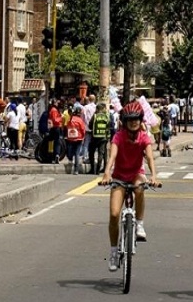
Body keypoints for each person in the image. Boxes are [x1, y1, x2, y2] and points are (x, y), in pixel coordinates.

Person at [100, 102, 158, 272]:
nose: (133, 122)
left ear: (141, 120)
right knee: (114, 214)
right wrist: (106, 173)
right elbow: (113, 156)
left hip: (136, 175)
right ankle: (113, 251)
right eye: (130, 120)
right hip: (119, 177)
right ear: (124, 121)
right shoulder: (118, 136)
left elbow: (149, 157)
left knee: (140, 187)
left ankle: (139, 224)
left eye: (136, 119)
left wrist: (153, 176)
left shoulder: (144, 137)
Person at [88, 103, 110, 175]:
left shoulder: (95, 116)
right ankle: (97, 170)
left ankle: (92, 169)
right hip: (103, 137)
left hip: (94, 137)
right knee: (101, 153)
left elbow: (90, 125)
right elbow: (109, 126)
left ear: (97, 109)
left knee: (91, 152)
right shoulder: (106, 117)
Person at [65, 105, 86, 175]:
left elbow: (67, 127)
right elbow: (83, 130)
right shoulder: (80, 120)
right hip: (79, 138)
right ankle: (76, 170)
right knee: (77, 154)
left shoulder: (71, 119)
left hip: (71, 138)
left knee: (71, 150)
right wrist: (83, 136)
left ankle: (70, 160)